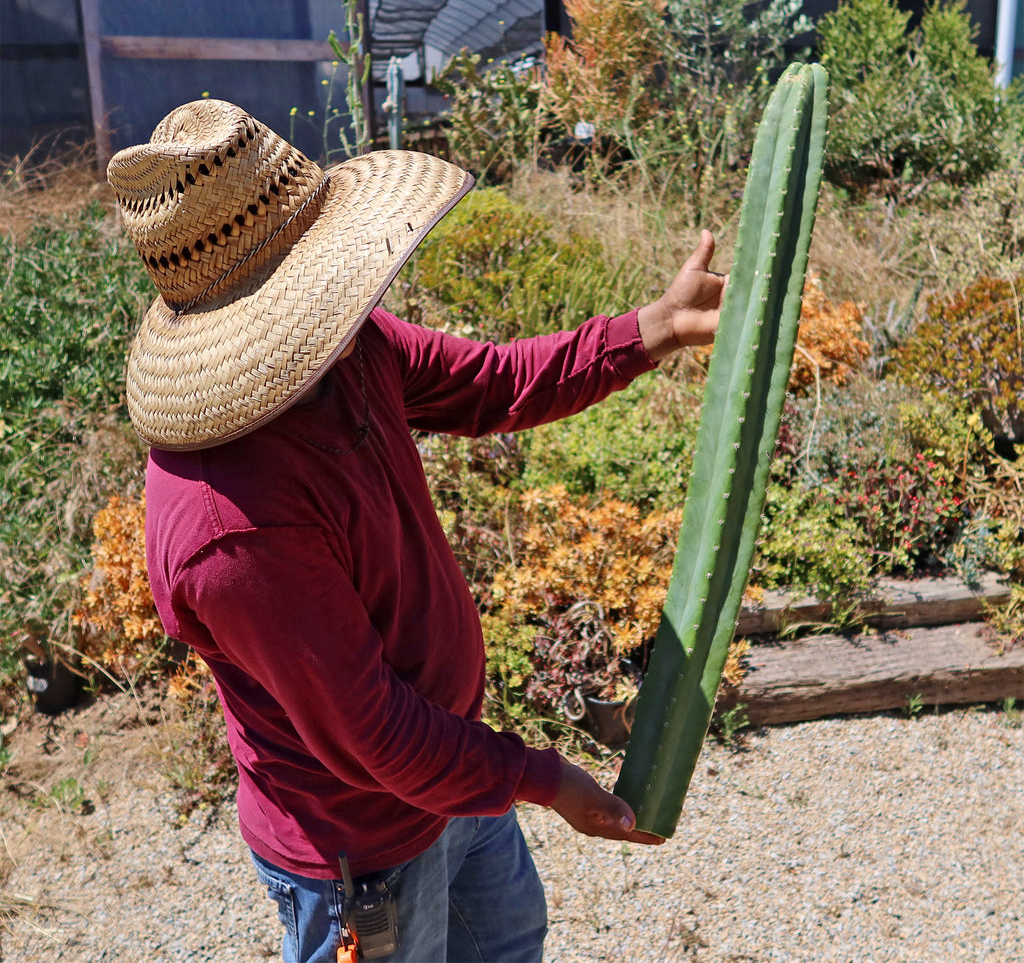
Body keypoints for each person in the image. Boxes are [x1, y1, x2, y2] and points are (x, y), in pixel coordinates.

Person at [107, 98, 726, 963]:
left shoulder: (342, 351)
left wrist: (652, 330)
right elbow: (377, 737)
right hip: (360, 851)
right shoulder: (231, 528)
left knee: (509, 943)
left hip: (452, 783)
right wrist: (541, 780)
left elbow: (492, 383)